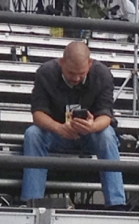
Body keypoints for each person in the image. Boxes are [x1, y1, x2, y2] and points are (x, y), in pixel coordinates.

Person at [22, 41, 125, 207]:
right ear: (61, 62)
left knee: (106, 134)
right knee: (33, 134)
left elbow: (106, 115)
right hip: (57, 133)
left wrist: (92, 126)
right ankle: (32, 203)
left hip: (90, 135)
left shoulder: (102, 74)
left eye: (81, 73)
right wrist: (59, 128)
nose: (76, 78)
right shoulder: (46, 72)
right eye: (71, 73)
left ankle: (116, 203)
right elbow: (37, 114)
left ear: (89, 64)